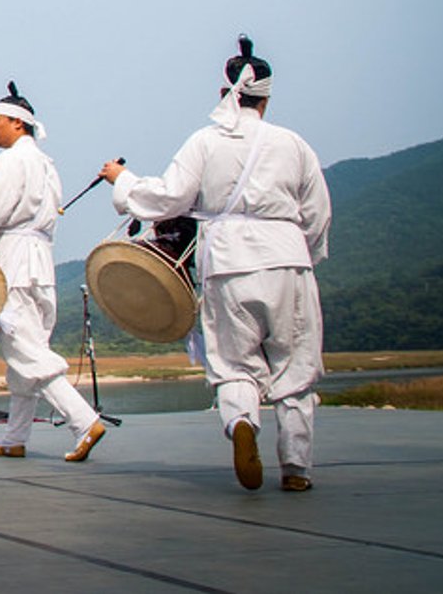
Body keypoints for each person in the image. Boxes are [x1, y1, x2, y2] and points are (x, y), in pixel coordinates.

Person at [102, 36, 331, 492]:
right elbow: (318, 214)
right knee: (294, 363)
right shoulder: (293, 144)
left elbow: (169, 196)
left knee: (233, 362)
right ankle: (296, 468)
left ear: (223, 92)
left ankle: (242, 422)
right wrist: (303, 253)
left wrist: (122, 181)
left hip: (227, 260)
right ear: (265, 97)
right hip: (287, 257)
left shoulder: (205, 142)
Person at [0, 82, 107, 463]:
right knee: (27, 351)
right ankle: (14, 437)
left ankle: (84, 421)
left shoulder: (12, 161)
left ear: (17, 124)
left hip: (17, 262)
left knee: (24, 350)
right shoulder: (45, 164)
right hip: (40, 261)